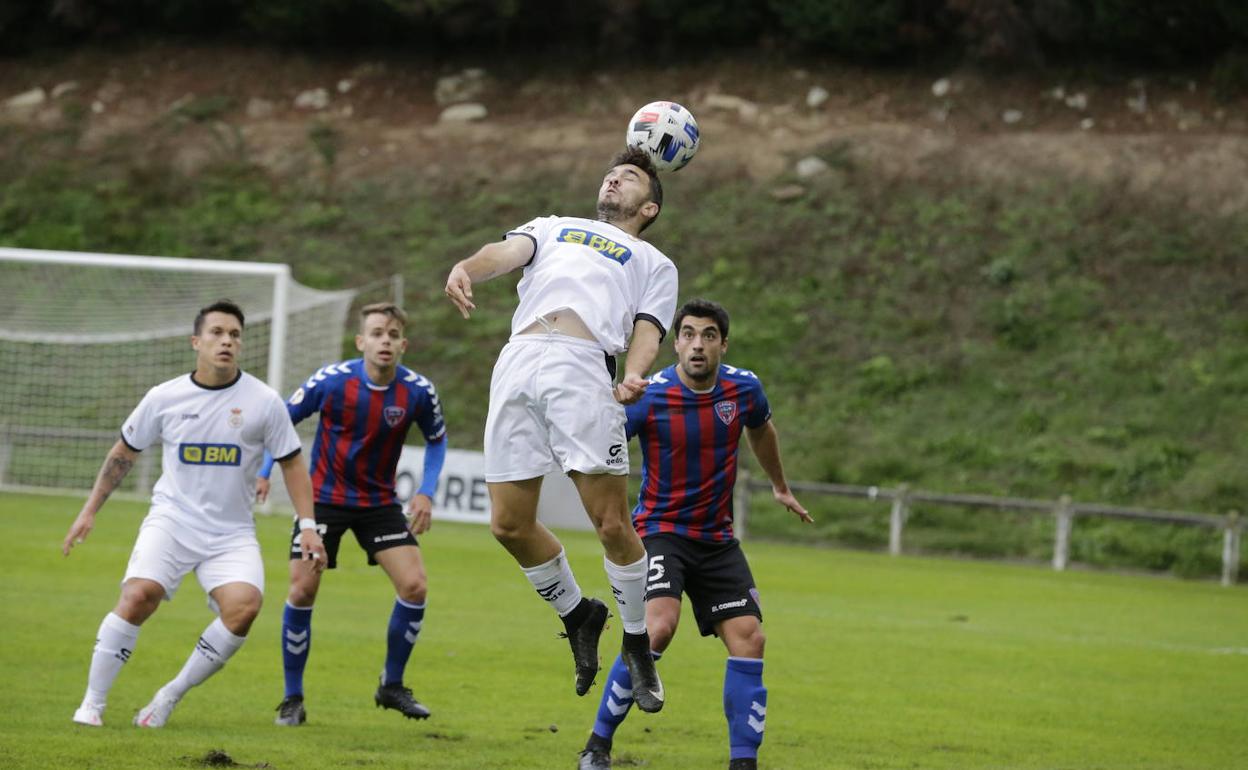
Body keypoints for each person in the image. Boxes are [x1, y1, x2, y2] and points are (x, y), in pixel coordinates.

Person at [443, 147, 676, 713]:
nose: (614, 177)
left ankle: (637, 642)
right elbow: (505, 251)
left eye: (630, 177)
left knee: (610, 522)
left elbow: (649, 330)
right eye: (612, 171)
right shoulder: (554, 226)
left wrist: (638, 374)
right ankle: (579, 614)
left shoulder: (652, 261)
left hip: (583, 364)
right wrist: (467, 268)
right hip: (518, 359)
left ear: (648, 207)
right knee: (508, 524)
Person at [62, 299, 325, 729]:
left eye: (235, 335)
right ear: (196, 342)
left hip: (231, 532)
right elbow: (123, 454)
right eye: (217, 333)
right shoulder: (163, 397)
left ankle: (168, 696)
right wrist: (89, 511)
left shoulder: (263, 401)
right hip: (172, 522)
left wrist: (309, 527)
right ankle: (92, 703)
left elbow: (292, 463)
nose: (226, 341)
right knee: (137, 596)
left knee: (244, 607)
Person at [577, 299, 813, 770]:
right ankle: (596, 747)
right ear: (676, 342)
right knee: (659, 627)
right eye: (688, 334)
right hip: (662, 532)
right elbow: (600, 450)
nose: (697, 344)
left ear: (723, 344)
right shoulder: (651, 394)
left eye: (708, 335)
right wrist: (610, 517)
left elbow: (762, 430)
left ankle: (742, 763)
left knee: (750, 638)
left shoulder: (744, 389)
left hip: (717, 539)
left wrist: (780, 486)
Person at [254, 302, 447, 725]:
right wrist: (265, 471)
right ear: (362, 341)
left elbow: (436, 439)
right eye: (377, 333)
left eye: (393, 335)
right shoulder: (331, 382)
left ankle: (391, 685)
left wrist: (426, 492)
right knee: (302, 590)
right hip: (321, 499)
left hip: (378, 504)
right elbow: (281, 421)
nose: (385, 341)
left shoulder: (417, 391)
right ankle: (292, 698)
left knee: (414, 586)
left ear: (403, 345)